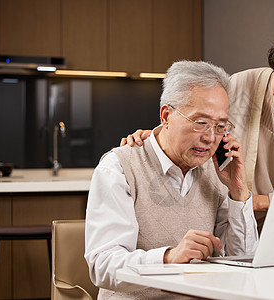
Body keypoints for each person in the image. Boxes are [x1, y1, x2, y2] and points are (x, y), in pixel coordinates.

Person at [121, 26, 274, 232]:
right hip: (225, 223)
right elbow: (197, 120)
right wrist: (158, 134)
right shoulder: (240, 85)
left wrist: (257, 201)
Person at [85, 61, 258, 299]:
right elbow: (103, 266)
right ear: (166, 116)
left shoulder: (217, 172)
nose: (210, 138)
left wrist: (239, 192)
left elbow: (242, 261)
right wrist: (168, 257)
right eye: (201, 123)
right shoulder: (119, 168)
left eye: (220, 126)